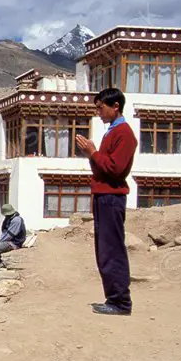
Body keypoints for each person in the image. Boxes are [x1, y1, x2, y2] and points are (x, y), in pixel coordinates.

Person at [76, 87, 138, 316]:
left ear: (115, 106)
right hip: (104, 195)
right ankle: (113, 297)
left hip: (112, 196)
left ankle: (121, 301)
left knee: (112, 249)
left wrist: (93, 152)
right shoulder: (112, 132)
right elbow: (104, 166)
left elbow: (116, 169)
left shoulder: (124, 133)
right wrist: (91, 154)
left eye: (101, 108)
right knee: (104, 249)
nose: (99, 112)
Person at [0, 205, 26, 274]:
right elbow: (4, 232)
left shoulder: (16, 220)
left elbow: (10, 235)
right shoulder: (9, 218)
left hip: (14, 242)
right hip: (9, 239)